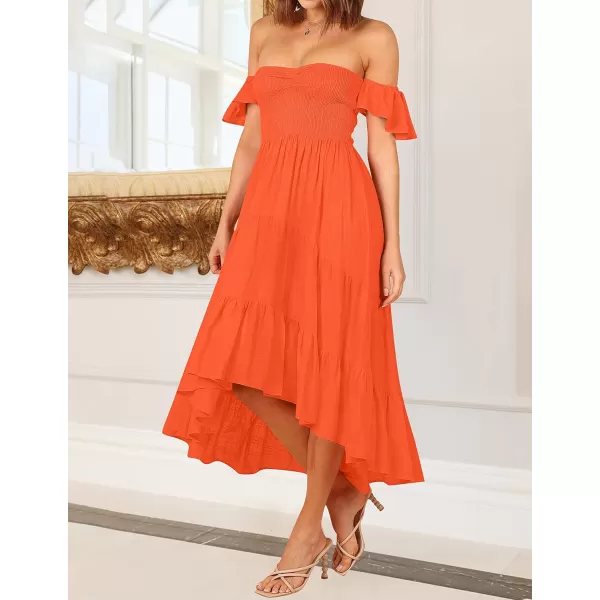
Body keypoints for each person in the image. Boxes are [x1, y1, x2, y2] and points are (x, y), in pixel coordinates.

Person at [163, 0, 424, 595]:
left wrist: (392, 245)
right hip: (271, 212)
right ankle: (341, 489)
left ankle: (307, 529)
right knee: (241, 370)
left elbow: (382, 148)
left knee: (330, 373)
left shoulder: (374, 37)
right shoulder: (264, 30)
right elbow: (252, 139)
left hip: (341, 211)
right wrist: (226, 221)